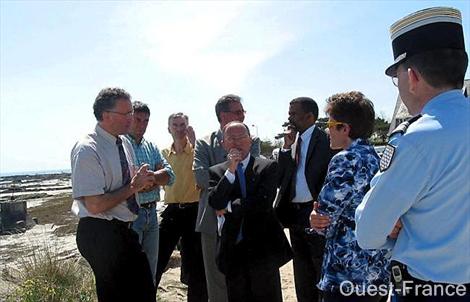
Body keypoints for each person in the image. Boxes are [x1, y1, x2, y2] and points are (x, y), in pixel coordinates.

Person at [355, 7, 470, 301]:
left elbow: (368, 233)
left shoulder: (417, 140)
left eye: (398, 78)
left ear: (413, 76)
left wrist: (397, 227)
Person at [71, 87, 156, 301]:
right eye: (126, 114)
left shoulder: (123, 141)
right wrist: (133, 187)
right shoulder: (87, 149)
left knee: (144, 291)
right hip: (100, 232)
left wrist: (141, 182)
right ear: (106, 115)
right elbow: (95, 205)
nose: (132, 118)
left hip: (124, 230)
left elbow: (127, 182)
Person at [310, 92, 390, 302]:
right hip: (376, 267)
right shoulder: (375, 157)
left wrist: (314, 217)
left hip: (347, 272)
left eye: (330, 123)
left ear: (344, 128)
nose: (327, 129)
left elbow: (324, 218)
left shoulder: (345, 160)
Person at [208, 121, 292, 302]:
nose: (236, 142)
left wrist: (229, 206)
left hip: (263, 248)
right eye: (231, 138)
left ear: (250, 141)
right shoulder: (217, 172)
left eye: (241, 137)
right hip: (233, 250)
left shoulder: (267, 167)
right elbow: (215, 201)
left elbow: (262, 203)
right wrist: (231, 170)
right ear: (223, 143)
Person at [193, 94, 260, 302]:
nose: (243, 115)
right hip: (212, 220)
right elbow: (202, 177)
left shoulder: (253, 140)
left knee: (249, 277)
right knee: (217, 281)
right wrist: (232, 172)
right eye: (238, 112)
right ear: (223, 115)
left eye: (243, 112)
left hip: (246, 220)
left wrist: (223, 195)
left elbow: (253, 174)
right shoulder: (204, 143)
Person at [276, 97, 333, 302]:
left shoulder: (326, 140)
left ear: (309, 116)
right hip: (295, 214)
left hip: (317, 211)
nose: (289, 117)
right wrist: (285, 148)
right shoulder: (292, 141)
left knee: (320, 265)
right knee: (301, 269)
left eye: (293, 113)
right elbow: (281, 178)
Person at [156, 112, 208, 301]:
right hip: (171, 210)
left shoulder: (197, 151)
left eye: (182, 125)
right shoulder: (162, 154)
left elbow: (204, 174)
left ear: (188, 126)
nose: (179, 129)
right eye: (175, 125)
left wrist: (195, 144)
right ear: (168, 128)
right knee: (157, 259)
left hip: (194, 211)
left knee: (195, 266)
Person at [127, 101, 175, 285]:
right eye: (137, 119)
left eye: (146, 120)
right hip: (132, 214)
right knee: (132, 270)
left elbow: (170, 176)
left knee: (151, 269)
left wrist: (150, 179)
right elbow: (128, 182)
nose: (142, 124)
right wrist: (151, 179)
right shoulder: (123, 145)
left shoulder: (151, 146)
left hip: (152, 214)